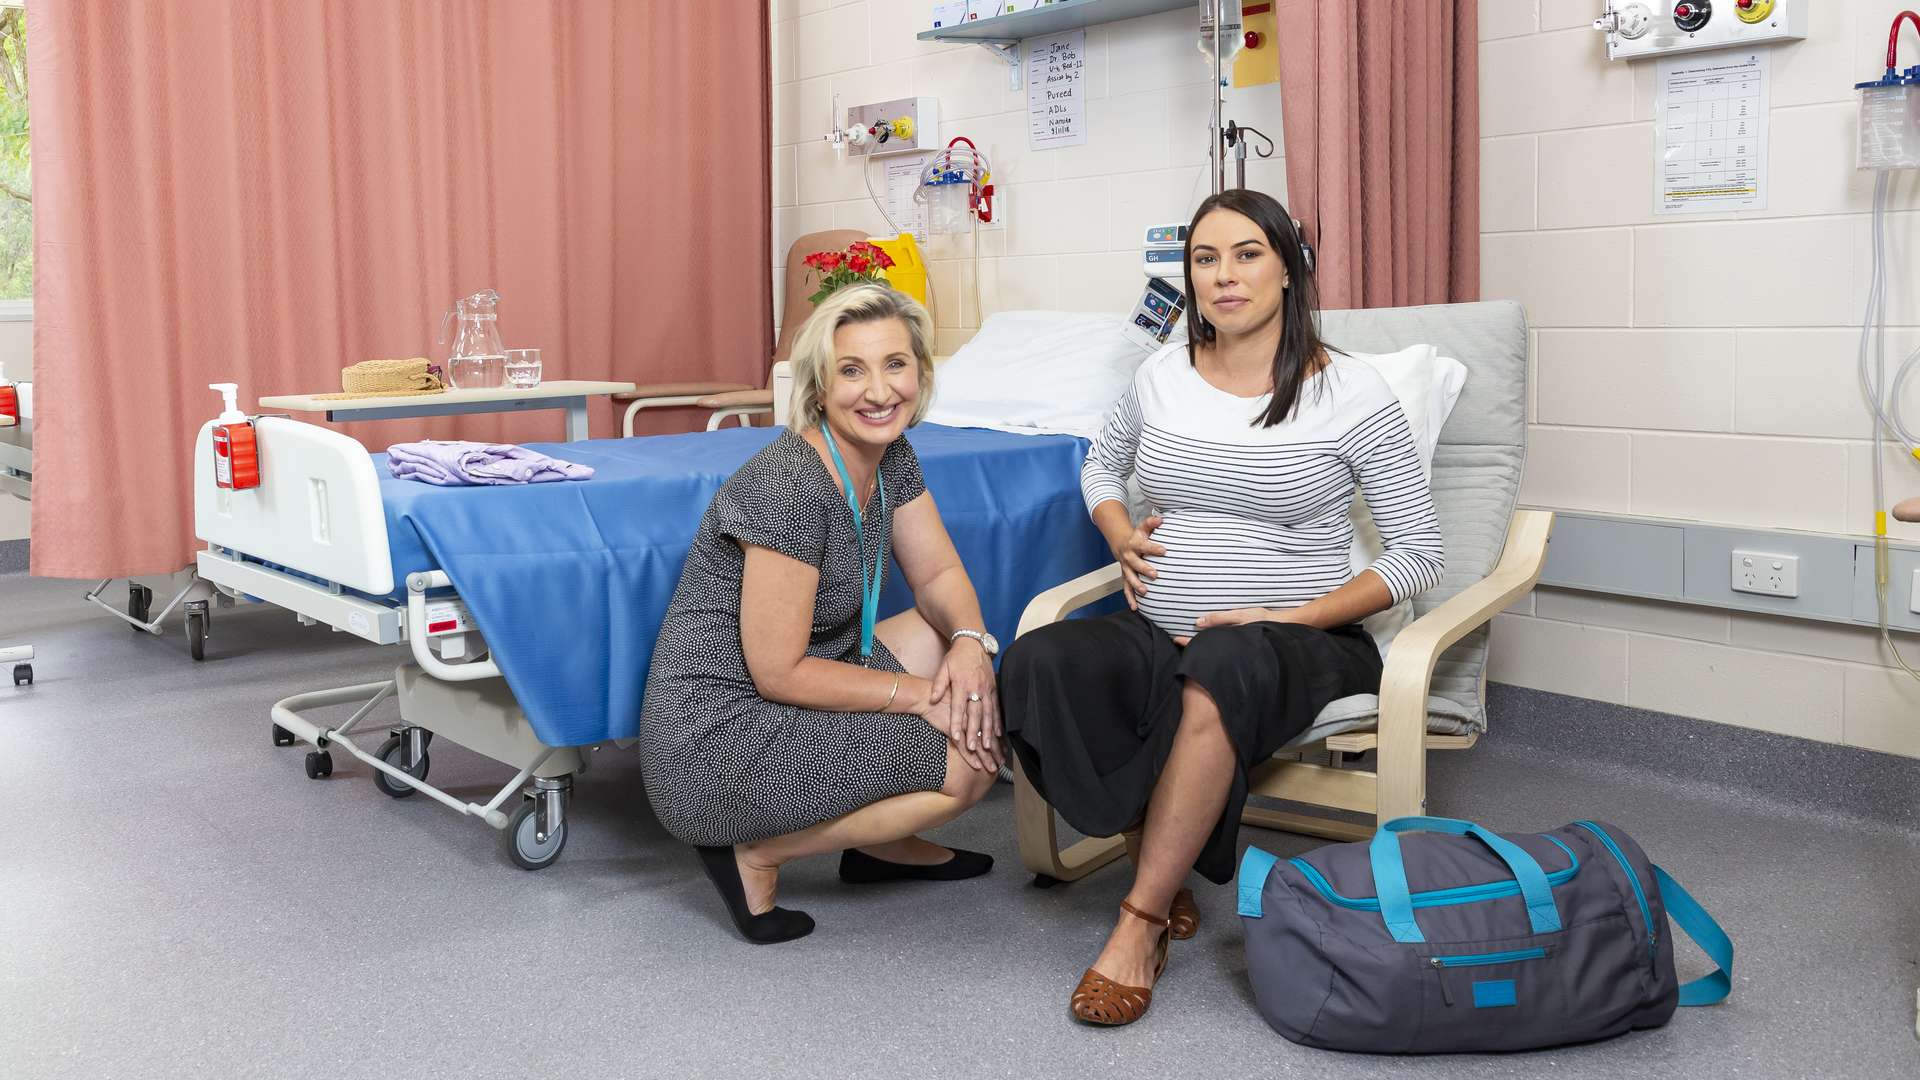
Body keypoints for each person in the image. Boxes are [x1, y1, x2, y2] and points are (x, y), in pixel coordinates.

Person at [999, 189, 1446, 1023]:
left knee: (1220, 661)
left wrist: (1290, 616)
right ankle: (1152, 846)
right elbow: (1103, 466)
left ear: (1288, 268)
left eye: (1246, 254)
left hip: (1300, 641)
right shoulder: (1161, 374)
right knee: (1037, 660)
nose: (1223, 276)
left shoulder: (1350, 392)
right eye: (1205, 259)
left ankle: (1138, 923)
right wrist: (1119, 530)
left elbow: (1419, 555)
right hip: (1157, 625)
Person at [641, 283, 1005, 945]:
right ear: (819, 386)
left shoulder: (890, 456)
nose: (878, 391)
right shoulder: (789, 486)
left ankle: (881, 843)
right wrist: (923, 697)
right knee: (972, 763)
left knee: (939, 634)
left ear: (921, 373)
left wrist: (970, 643)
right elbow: (779, 674)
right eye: (852, 370)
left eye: (895, 364)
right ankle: (755, 853)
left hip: (800, 684)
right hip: (718, 738)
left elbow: (940, 575)